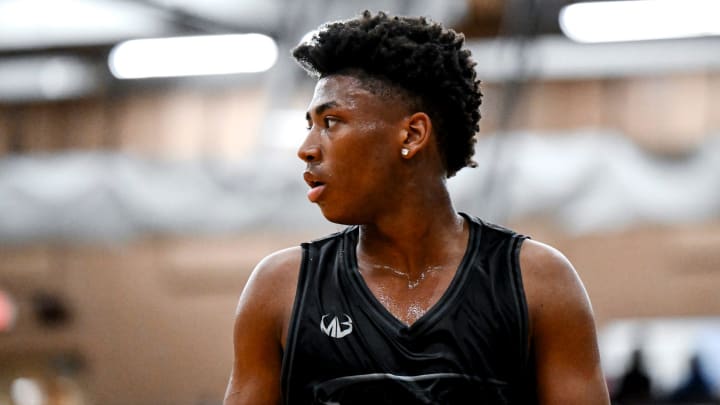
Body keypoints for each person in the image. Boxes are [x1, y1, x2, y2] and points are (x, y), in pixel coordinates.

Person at [224, 10, 610, 404]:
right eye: (310, 124)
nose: (306, 148)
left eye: (331, 121)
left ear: (412, 134)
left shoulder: (539, 282)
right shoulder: (279, 289)